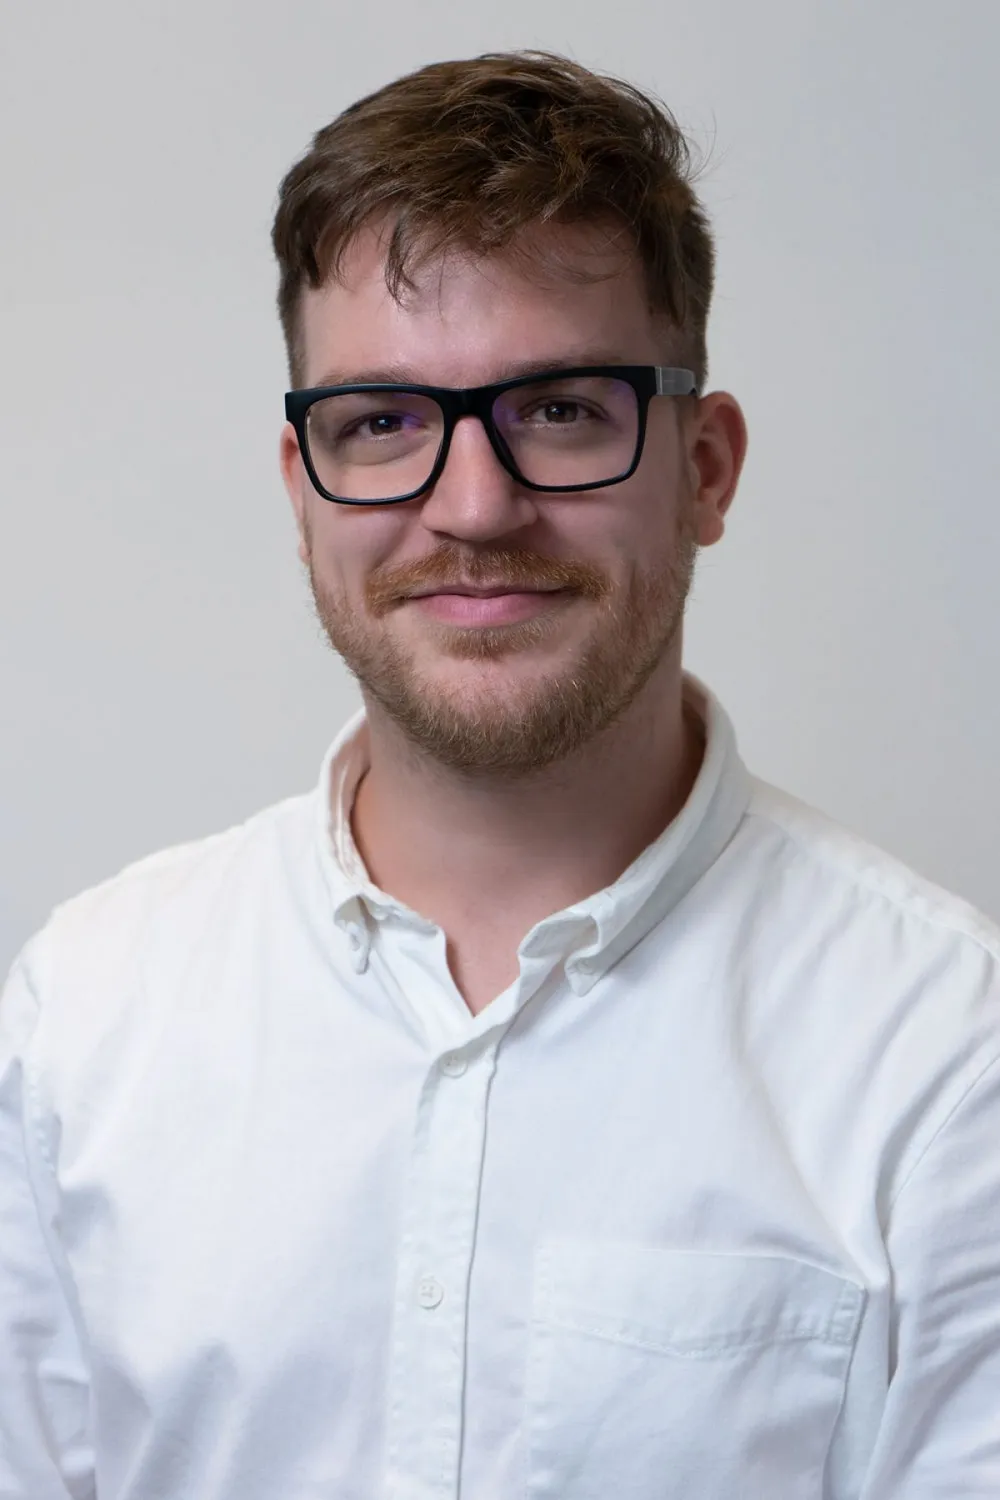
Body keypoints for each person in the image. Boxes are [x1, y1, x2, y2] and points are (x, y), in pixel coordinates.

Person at [1, 48, 998, 1500]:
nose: (473, 508)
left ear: (706, 469)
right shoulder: (84, 1023)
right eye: (381, 423)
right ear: (302, 492)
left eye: (563, 409)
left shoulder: (950, 1061)